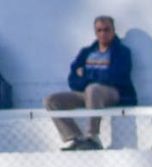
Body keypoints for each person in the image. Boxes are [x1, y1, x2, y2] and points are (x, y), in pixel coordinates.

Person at [44, 15, 137, 151]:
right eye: (99, 30)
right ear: (95, 32)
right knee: (51, 100)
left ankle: (93, 137)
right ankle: (76, 138)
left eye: (106, 30)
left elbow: (115, 76)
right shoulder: (86, 52)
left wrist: (86, 74)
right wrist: (92, 77)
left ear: (113, 31)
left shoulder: (122, 52)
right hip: (87, 93)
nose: (103, 34)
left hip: (112, 93)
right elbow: (73, 80)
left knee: (93, 89)